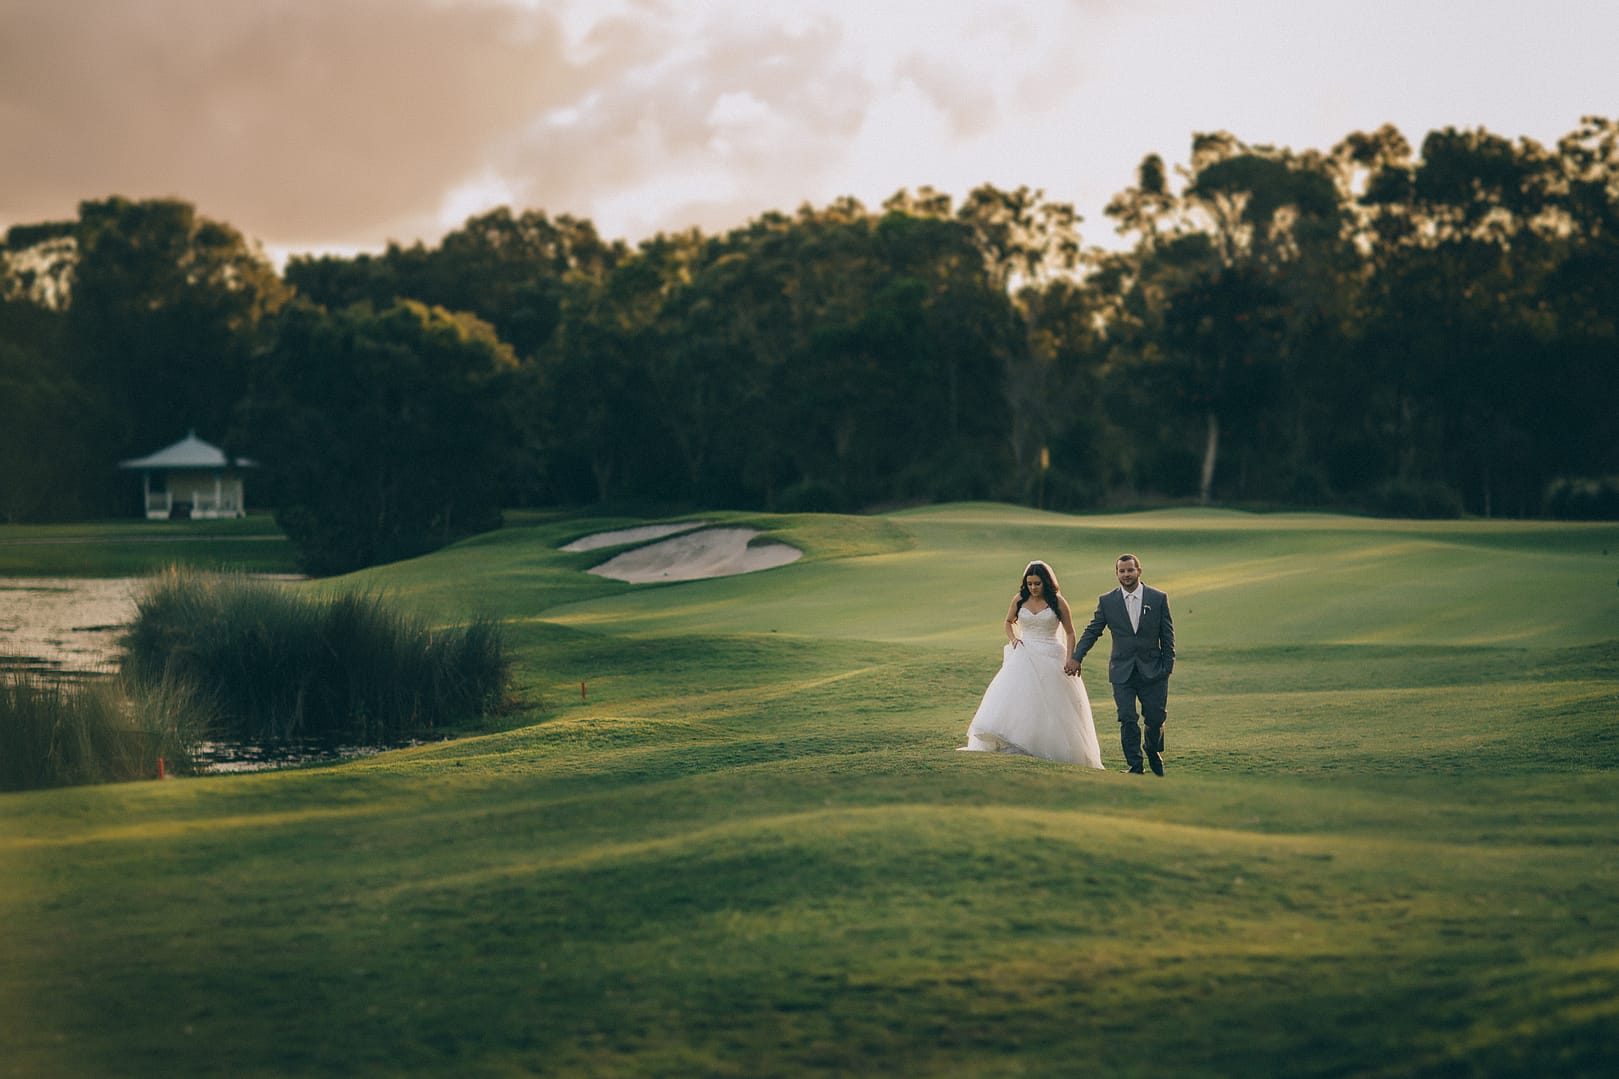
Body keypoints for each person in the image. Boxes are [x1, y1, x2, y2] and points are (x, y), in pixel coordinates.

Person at [960, 560, 1104, 768]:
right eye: (1030, 584)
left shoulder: (1058, 602)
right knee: (1019, 698)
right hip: (1024, 653)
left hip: (1052, 654)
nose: (1033, 588)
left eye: (1037, 583)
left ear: (1046, 582)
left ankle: (1048, 747)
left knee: (1053, 703)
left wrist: (1070, 658)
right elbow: (1008, 622)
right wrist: (1014, 639)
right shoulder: (1019, 599)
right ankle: (1017, 742)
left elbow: (1070, 632)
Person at [1065, 553, 1175, 775]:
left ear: (1139, 571)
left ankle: (1152, 749)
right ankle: (1135, 766)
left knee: (1155, 718)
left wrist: (1167, 666)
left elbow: (1168, 635)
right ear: (1117, 573)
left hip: (1154, 671)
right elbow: (1093, 630)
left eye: (1130, 570)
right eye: (1122, 571)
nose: (1126, 575)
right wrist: (1076, 657)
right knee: (1127, 718)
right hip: (1122, 672)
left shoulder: (1157, 598)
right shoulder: (1108, 601)